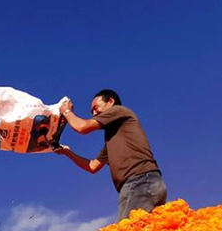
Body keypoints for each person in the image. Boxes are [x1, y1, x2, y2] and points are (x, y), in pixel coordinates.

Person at [54, 89, 167, 221]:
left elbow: (82, 127)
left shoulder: (119, 110)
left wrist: (66, 112)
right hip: (142, 183)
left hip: (139, 181)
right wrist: (67, 152)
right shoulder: (114, 138)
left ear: (111, 102)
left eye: (96, 108)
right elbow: (92, 166)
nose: (94, 114)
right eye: (92, 112)